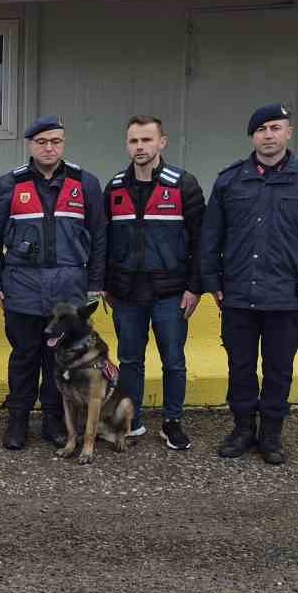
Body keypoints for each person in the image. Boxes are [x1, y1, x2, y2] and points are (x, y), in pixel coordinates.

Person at [200, 104, 298, 466]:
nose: (268, 135)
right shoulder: (230, 181)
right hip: (238, 295)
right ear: (253, 137)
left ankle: (271, 434)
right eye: (261, 129)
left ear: (288, 132)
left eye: (276, 128)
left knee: (279, 369)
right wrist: (212, 281)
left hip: (285, 296)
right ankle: (243, 429)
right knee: (240, 367)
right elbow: (211, 236)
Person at [0, 118, 107, 451]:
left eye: (55, 141)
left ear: (63, 143)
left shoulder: (85, 183)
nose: (49, 148)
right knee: (24, 357)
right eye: (41, 142)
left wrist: (95, 282)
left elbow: (100, 236)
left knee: (59, 361)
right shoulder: (10, 184)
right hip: (22, 289)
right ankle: (17, 421)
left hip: (68, 292)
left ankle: (53, 421)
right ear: (29, 144)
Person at [100, 114, 205, 451]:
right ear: (127, 145)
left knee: (173, 360)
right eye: (134, 140)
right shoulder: (115, 188)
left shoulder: (183, 184)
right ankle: (133, 421)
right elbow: (103, 241)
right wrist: (104, 284)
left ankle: (172, 423)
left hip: (170, 293)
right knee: (130, 360)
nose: (140, 147)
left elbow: (202, 242)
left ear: (162, 142)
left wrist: (195, 288)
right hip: (126, 293)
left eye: (147, 139)